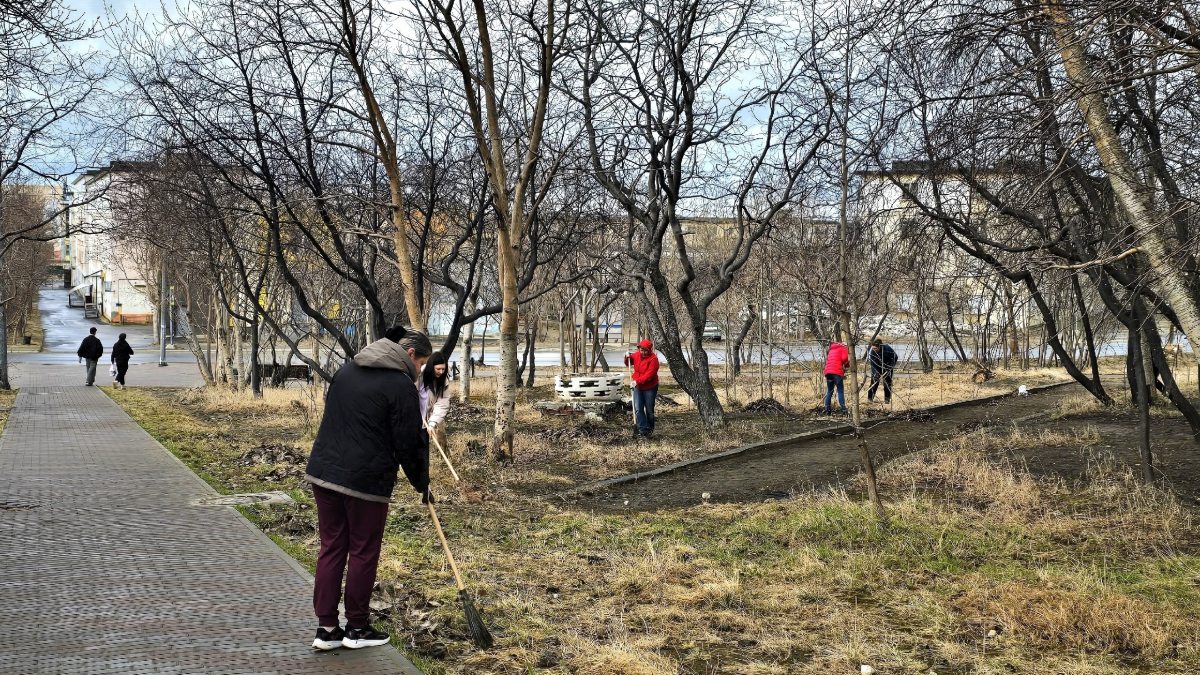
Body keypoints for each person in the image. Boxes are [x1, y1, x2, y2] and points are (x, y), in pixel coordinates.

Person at [304, 325, 431, 651]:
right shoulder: (400, 385)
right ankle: (357, 628)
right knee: (362, 550)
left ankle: (326, 630)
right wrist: (422, 483)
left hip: (324, 474)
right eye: (420, 364)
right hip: (365, 482)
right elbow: (408, 443)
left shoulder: (346, 371)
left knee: (331, 547)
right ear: (410, 354)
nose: (419, 372)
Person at [623, 339, 660, 436]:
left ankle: (649, 429)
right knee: (638, 408)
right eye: (641, 350)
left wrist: (637, 381)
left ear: (649, 350)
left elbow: (649, 375)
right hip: (638, 386)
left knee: (649, 410)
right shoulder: (637, 355)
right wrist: (627, 357)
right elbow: (628, 363)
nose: (643, 352)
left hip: (650, 387)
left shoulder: (653, 359)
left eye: (645, 350)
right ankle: (643, 429)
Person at [419, 351, 452, 452]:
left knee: (423, 453)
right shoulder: (417, 376)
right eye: (438, 369)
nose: (441, 372)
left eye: (443, 369)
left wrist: (432, 423)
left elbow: (442, 404)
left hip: (426, 424)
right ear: (431, 367)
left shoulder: (442, 381)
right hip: (412, 422)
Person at [866, 338, 897, 404]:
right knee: (874, 383)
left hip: (887, 367)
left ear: (880, 346)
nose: (874, 350)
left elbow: (894, 357)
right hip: (877, 367)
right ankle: (870, 399)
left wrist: (890, 366)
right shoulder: (872, 352)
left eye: (876, 348)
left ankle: (887, 400)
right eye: (873, 348)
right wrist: (875, 373)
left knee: (887, 384)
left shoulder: (888, 348)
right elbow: (873, 364)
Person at [823, 339, 849, 415]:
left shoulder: (831, 350)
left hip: (828, 372)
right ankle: (843, 409)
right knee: (840, 390)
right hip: (837, 372)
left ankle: (828, 410)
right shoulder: (844, 348)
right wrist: (847, 365)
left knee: (829, 391)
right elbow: (844, 359)